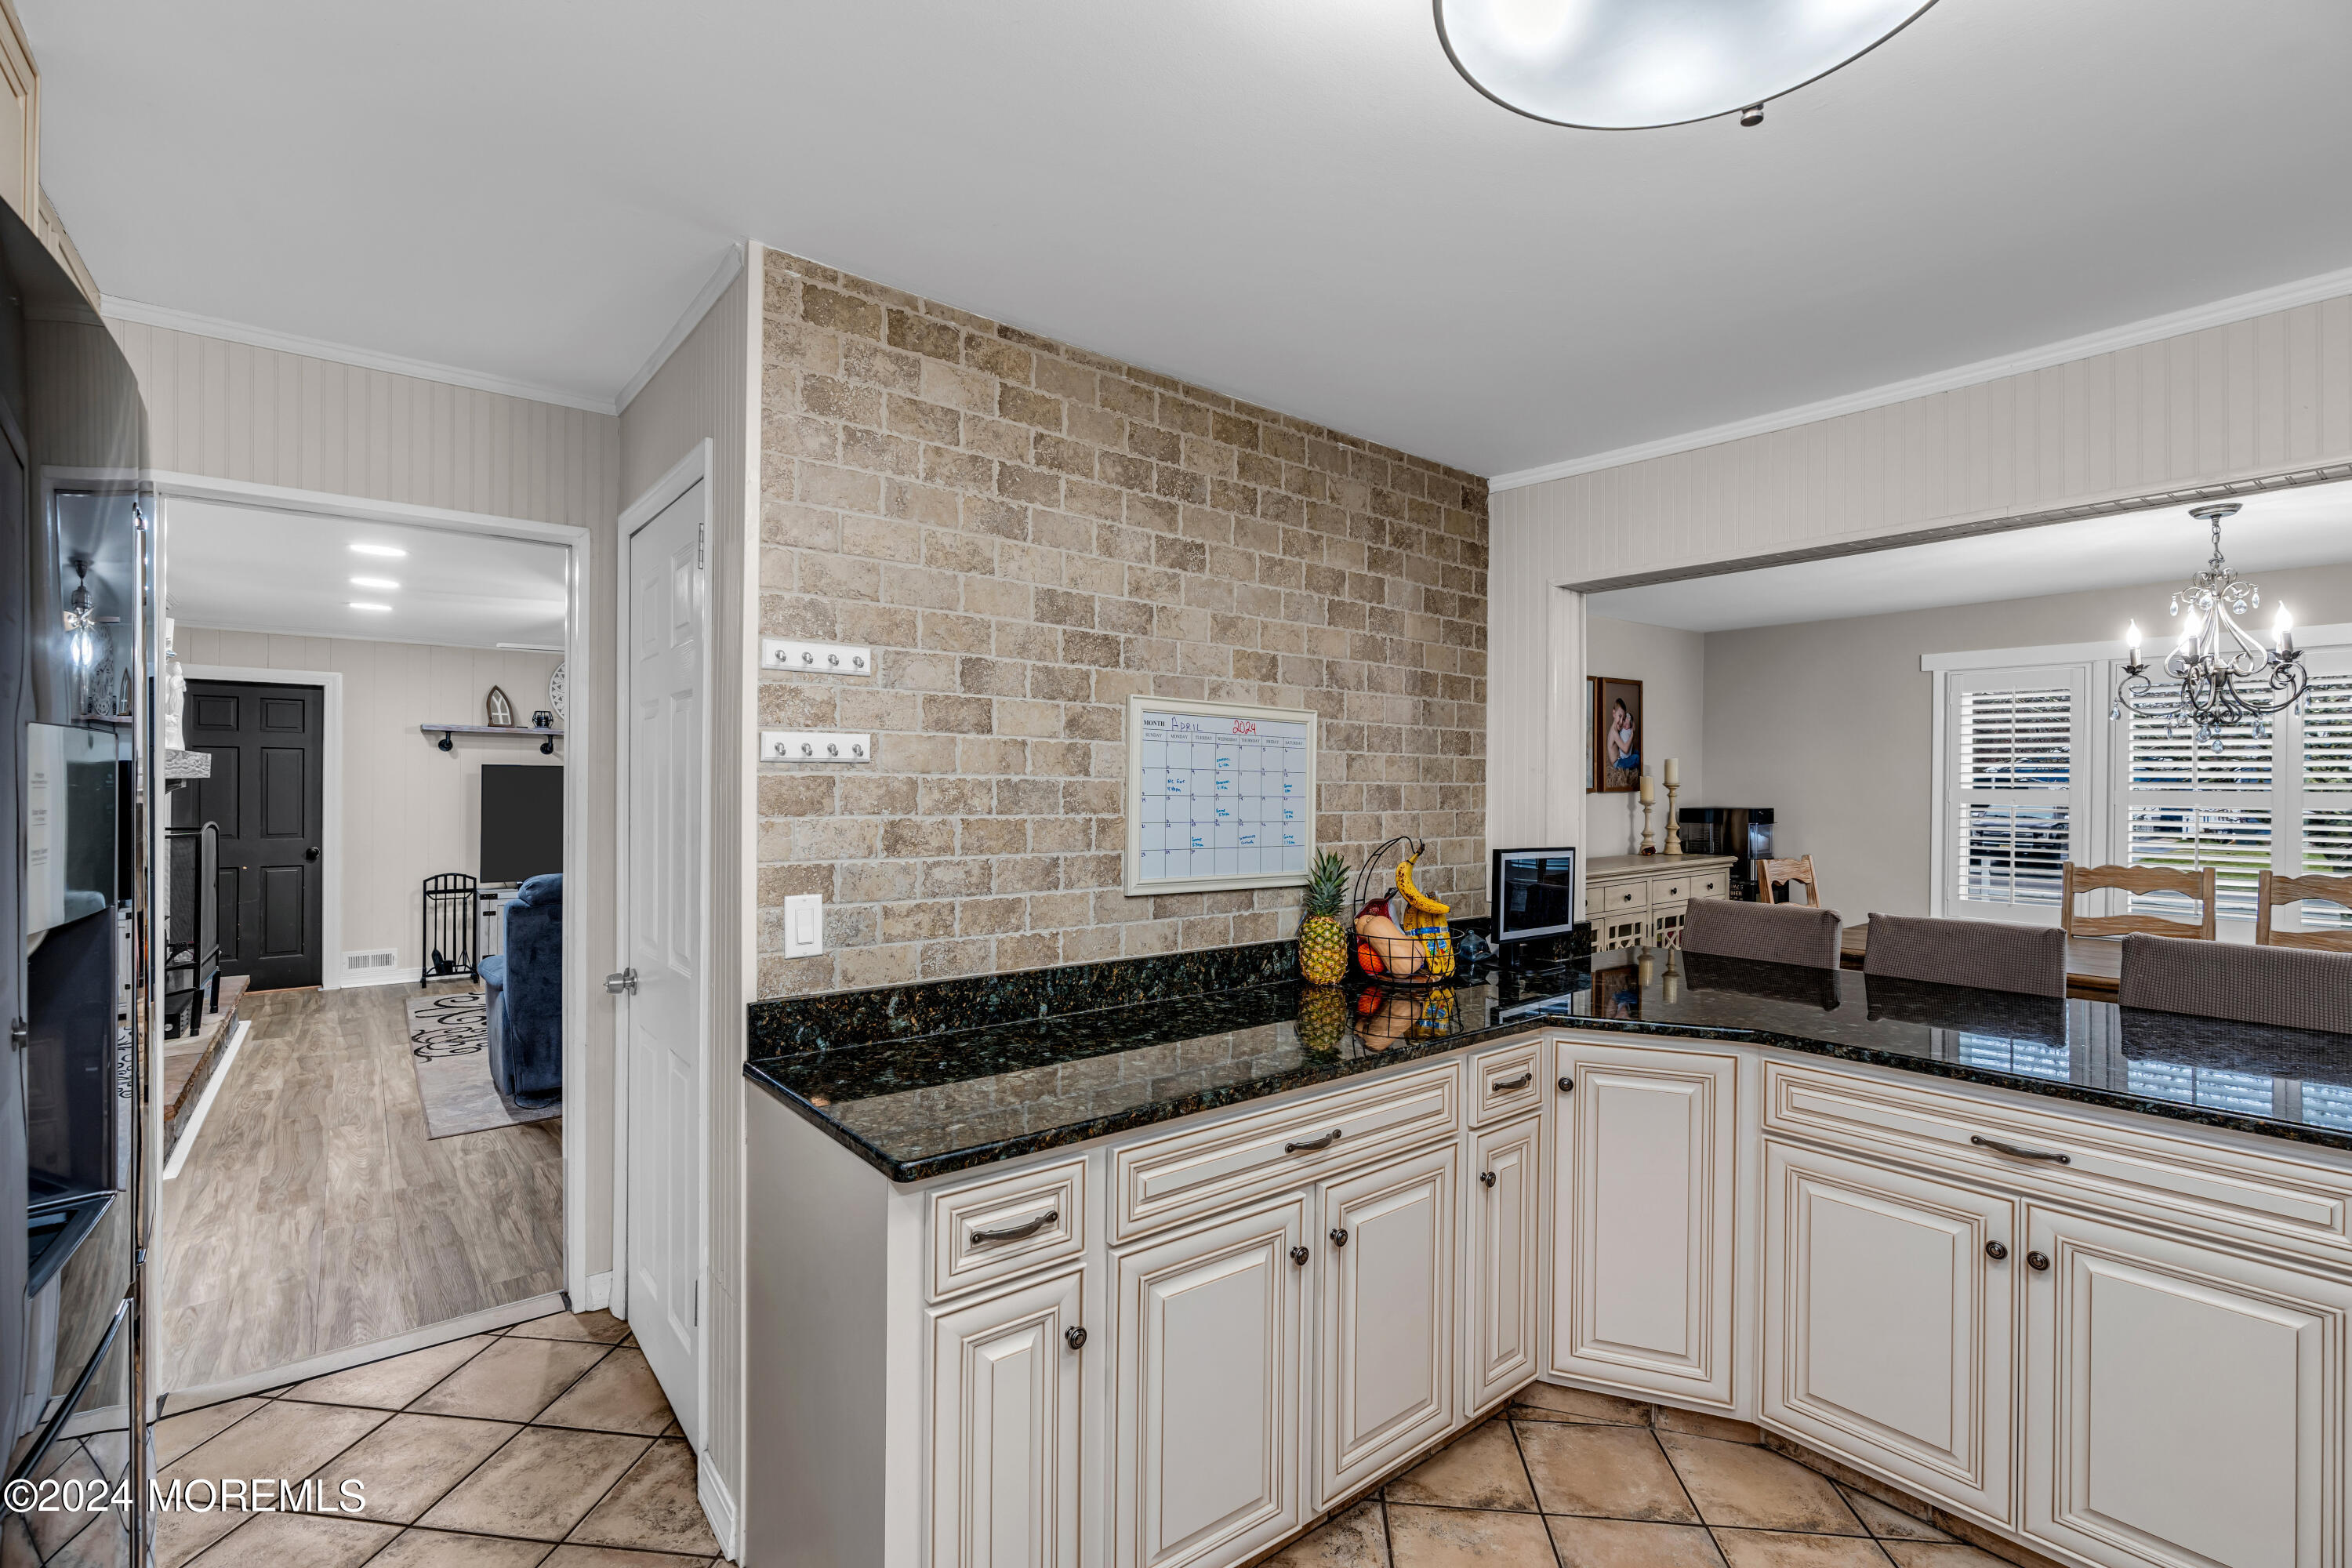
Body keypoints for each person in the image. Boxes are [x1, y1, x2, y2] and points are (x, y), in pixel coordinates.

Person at [1606, 696, 1639, 783]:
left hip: (1621, 758)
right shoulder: (1614, 732)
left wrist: (1630, 726)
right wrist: (1632, 734)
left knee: (1636, 752)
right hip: (1618, 763)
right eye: (1620, 716)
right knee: (1637, 758)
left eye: (1623, 718)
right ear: (1614, 713)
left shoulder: (1618, 728)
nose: (1621, 721)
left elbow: (1625, 735)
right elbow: (1625, 750)